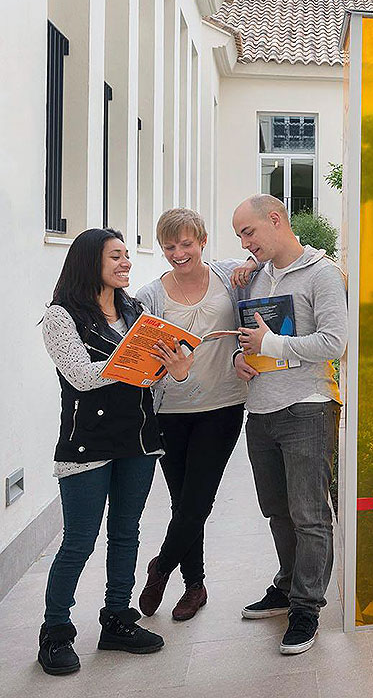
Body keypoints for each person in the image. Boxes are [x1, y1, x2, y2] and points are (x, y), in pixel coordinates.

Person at [38, 229, 191, 675]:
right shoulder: (60, 316)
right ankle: (55, 632)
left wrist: (173, 367)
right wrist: (132, 361)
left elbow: (149, 377)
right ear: (90, 262)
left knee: (126, 534)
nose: (126, 263)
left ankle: (118, 620)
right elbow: (82, 377)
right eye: (116, 256)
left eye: (127, 255)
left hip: (138, 439)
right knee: (79, 541)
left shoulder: (135, 311)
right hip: (87, 443)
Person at [231, 195, 348, 654]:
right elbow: (250, 338)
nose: (245, 243)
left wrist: (272, 345)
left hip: (308, 407)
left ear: (275, 220)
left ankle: (306, 607)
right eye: (240, 236)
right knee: (277, 510)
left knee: (309, 514)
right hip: (260, 410)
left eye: (249, 232)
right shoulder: (255, 276)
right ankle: (287, 585)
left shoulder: (323, 273)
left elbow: (335, 342)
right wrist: (241, 357)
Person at [135, 209, 259, 622]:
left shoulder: (228, 275)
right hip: (170, 412)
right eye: (169, 246)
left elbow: (267, 260)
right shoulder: (150, 296)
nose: (178, 253)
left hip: (222, 406)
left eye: (186, 244)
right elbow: (142, 360)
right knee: (184, 503)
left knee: (198, 500)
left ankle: (161, 567)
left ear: (203, 241)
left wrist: (250, 262)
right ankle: (195, 585)